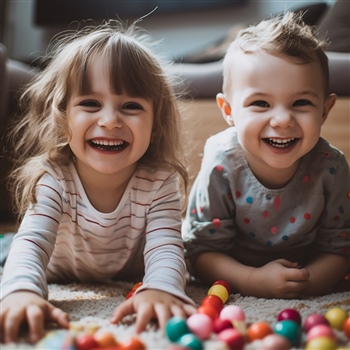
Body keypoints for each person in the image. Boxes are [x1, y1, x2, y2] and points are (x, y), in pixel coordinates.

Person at [0, 20, 196, 344]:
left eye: (131, 106)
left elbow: (166, 248)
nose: (109, 120)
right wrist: (20, 292)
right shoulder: (54, 179)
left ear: (156, 126)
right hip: (58, 271)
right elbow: (32, 244)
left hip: (128, 274)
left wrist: (162, 288)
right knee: (11, 251)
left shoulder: (159, 182)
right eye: (90, 104)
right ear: (62, 120)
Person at [182, 11, 350, 299]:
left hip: (303, 265)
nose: (283, 119)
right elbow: (201, 252)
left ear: (324, 110)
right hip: (233, 265)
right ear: (229, 111)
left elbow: (340, 248)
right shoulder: (222, 160)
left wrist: (308, 282)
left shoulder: (330, 166)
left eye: (301, 102)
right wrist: (252, 280)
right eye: (261, 103)